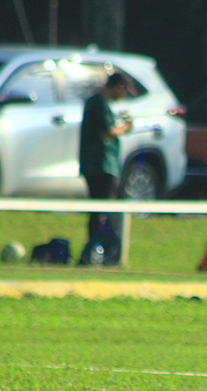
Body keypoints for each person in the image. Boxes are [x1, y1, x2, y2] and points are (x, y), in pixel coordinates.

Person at [78, 72, 133, 266]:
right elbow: (105, 132)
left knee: (97, 210)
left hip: (93, 164)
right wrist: (125, 127)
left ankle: (93, 252)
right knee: (102, 211)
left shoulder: (94, 102)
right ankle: (95, 253)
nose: (123, 96)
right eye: (125, 91)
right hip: (102, 165)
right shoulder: (100, 103)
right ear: (118, 86)